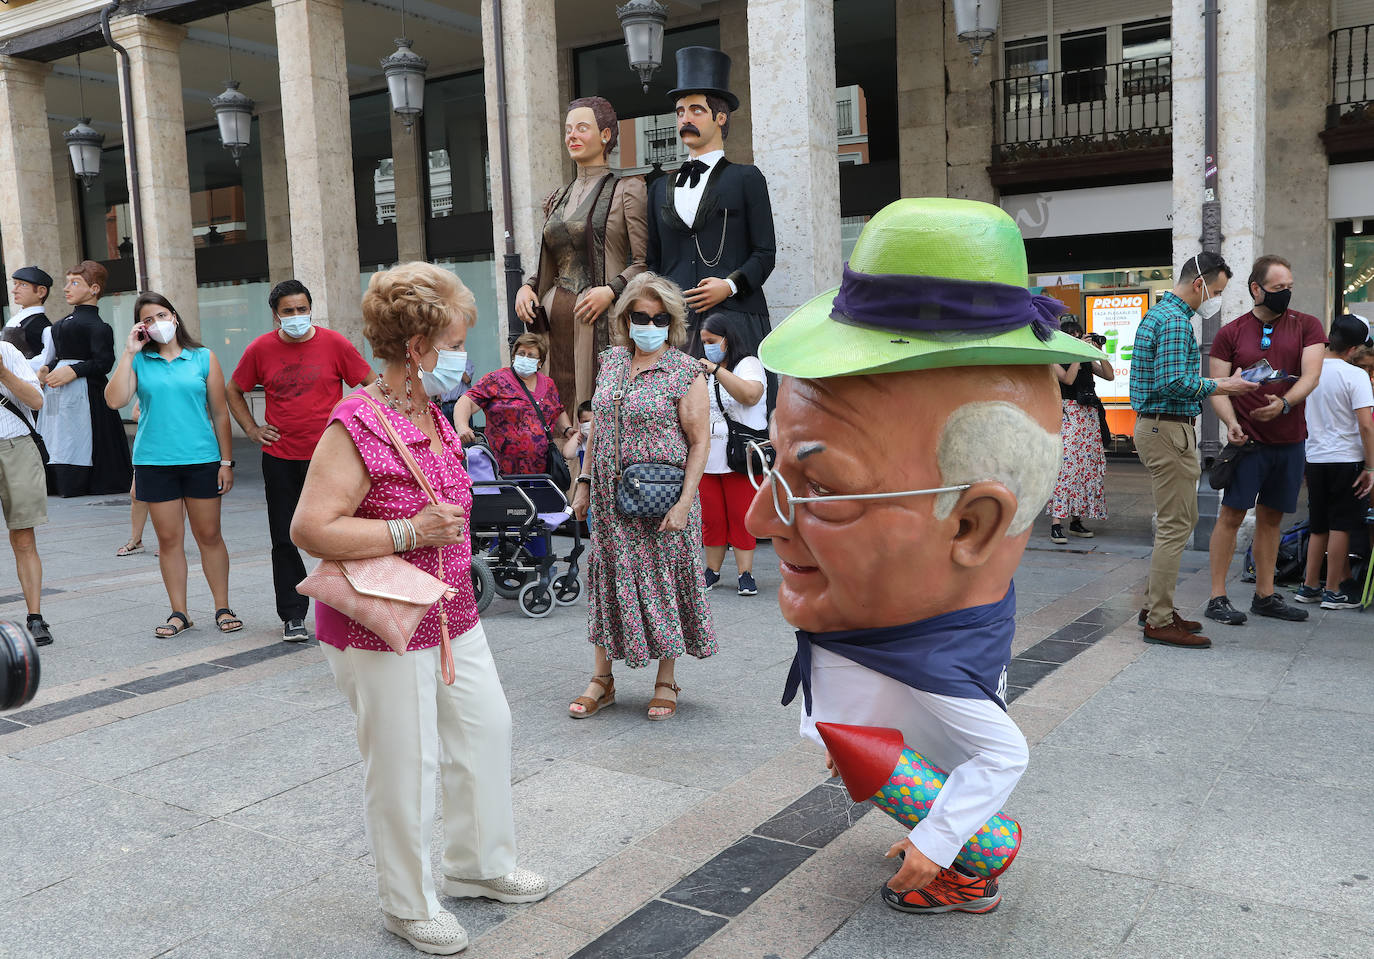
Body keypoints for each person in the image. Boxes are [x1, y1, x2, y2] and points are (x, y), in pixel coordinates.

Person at [749, 198, 1106, 915]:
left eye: (820, 486)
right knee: (909, 756)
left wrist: (937, 839)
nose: (762, 521)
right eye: (772, 464)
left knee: (951, 765)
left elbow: (1004, 753)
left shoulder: (942, 657)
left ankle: (970, 868)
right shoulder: (913, 633)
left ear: (973, 525)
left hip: (948, 747)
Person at [291, 262, 547, 956]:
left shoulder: (427, 410)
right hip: (382, 624)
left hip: (451, 612)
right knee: (406, 764)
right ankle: (407, 902)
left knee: (486, 728)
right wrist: (407, 533)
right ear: (417, 347)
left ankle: (478, 864)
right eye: (456, 339)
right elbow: (310, 527)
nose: (464, 355)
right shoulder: (357, 422)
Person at [569, 272, 714, 721]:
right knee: (608, 582)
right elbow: (597, 432)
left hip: (663, 501)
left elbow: (699, 440)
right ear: (625, 317)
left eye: (658, 317)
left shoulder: (685, 371)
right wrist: (584, 483)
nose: (647, 323)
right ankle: (602, 679)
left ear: (671, 322)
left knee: (664, 584)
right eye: (639, 315)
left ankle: (666, 679)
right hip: (612, 505)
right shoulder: (611, 362)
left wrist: (686, 501)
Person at [227, 279, 375, 642]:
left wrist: (358, 430)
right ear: (276, 316)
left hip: (331, 458)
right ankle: (292, 615)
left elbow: (372, 384)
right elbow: (233, 389)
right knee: (284, 537)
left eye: (302, 309)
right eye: (288, 311)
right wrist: (251, 428)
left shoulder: (334, 343)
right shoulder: (260, 349)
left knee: (348, 532)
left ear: (311, 309)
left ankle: (355, 606)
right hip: (280, 457)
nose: (296, 317)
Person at [1128, 252, 1257, 648]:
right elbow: (1173, 384)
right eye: (1217, 291)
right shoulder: (1174, 322)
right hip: (1167, 430)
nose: (1215, 299)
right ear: (1200, 284)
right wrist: (1224, 386)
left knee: (1176, 523)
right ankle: (1159, 619)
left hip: (1161, 428)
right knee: (1175, 527)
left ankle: (1156, 607)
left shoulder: (1162, 315)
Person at [104, 292, 240, 638]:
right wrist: (129, 352)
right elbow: (115, 400)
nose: (156, 323)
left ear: (175, 317)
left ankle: (222, 607)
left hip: (202, 460)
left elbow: (221, 413)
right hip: (154, 462)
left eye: (161, 315)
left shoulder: (203, 358)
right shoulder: (139, 361)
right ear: (141, 327)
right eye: (147, 319)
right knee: (168, 539)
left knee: (209, 535)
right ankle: (180, 612)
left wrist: (227, 461)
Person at [1205, 254, 1326, 626]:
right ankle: (1217, 596)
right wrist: (1230, 424)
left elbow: (1311, 376)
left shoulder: (1307, 325)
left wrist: (1285, 404)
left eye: (1289, 287)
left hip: (1289, 440)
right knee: (1230, 515)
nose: (1285, 294)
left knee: (1272, 519)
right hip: (1248, 443)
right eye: (1277, 288)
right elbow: (1218, 388)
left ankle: (1266, 594)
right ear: (1256, 289)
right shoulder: (1230, 332)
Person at [647, 47, 777, 372]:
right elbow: (653, 262)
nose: (685, 119)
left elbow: (765, 252)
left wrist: (729, 285)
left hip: (736, 319)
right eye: (679, 112)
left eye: (695, 110)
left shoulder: (747, 178)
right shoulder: (657, 189)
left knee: (739, 415)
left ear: (721, 118)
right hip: (676, 329)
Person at [515, 96, 648, 410]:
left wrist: (611, 291)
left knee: (594, 408)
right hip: (551, 325)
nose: (571, 136)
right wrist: (527, 287)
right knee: (554, 411)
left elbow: (643, 263)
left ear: (605, 135)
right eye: (568, 129)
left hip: (597, 320)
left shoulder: (628, 189)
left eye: (582, 128)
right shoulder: (557, 198)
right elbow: (550, 262)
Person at [1293, 313, 1374, 609]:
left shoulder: (1309, 371)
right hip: (1346, 458)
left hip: (1314, 456)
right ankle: (1333, 590)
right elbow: (1366, 425)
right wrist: (1370, 466)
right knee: (1341, 524)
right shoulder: (1356, 376)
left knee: (1318, 524)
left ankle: (1308, 586)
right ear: (1353, 349)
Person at [37, 261, 132, 497]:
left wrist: (74, 371)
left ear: (95, 289)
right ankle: (56, 480)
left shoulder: (99, 327)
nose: (67, 288)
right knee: (55, 431)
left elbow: (104, 362)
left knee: (79, 432)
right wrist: (47, 369)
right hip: (57, 390)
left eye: (75, 283)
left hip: (86, 392)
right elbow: (58, 355)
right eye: (68, 283)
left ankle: (79, 481)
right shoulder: (60, 325)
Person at [697, 311, 766, 595]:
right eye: (703, 341)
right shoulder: (702, 370)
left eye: (712, 341)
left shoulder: (747, 364)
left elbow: (750, 396)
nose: (707, 347)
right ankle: (711, 571)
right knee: (712, 517)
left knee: (741, 515)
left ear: (727, 340)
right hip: (708, 455)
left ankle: (745, 573)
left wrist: (716, 372)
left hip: (741, 455)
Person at [452, 332, 577, 479]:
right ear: (514, 356)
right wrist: (462, 427)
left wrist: (567, 429)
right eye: (521, 353)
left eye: (531, 355)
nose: (525, 358)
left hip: (542, 472)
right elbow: (466, 401)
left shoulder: (548, 384)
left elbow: (557, 409)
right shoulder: (497, 379)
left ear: (540, 362)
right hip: (503, 472)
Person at [0, 338, 51, 645]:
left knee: (22, 536)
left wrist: (4, 374)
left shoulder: (6, 350)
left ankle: (35, 617)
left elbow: (37, 400)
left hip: (15, 446)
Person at [1047, 317, 1114, 544]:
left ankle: (1076, 520)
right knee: (1066, 468)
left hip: (1088, 416)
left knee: (1086, 469)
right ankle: (1056, 523)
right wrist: (1078, 354)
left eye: (1079, 334)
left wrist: (1098, 352)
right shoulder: (1053, 358)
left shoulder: (1084, 359)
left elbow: (1109, 375)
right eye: (1072, 335)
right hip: (1069, 415)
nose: (1077, 338)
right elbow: (1068, 379)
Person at [5, 266, 54, 372]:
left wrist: (10, 367)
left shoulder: (45, 327)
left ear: (41, 292)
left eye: (23, 285)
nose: (14, 290)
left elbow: (44, 362)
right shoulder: (15, 320)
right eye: (15, 284)